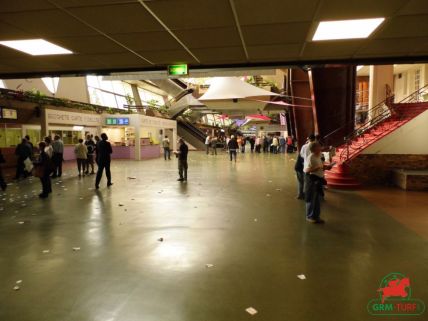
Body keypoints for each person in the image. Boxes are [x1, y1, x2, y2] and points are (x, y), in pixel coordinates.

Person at [304, 142, 333, 223]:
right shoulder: (310, 157)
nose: (320, 148)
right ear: (314, 149)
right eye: (318, 147)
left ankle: (316, 216)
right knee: (311, 198)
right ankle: (309, 216)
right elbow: (307, 170)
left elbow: (321, 166)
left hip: (319, 179)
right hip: (313, 180)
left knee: (318, 199)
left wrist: (326, 167)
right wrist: (317, 167)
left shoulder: (320, 155)